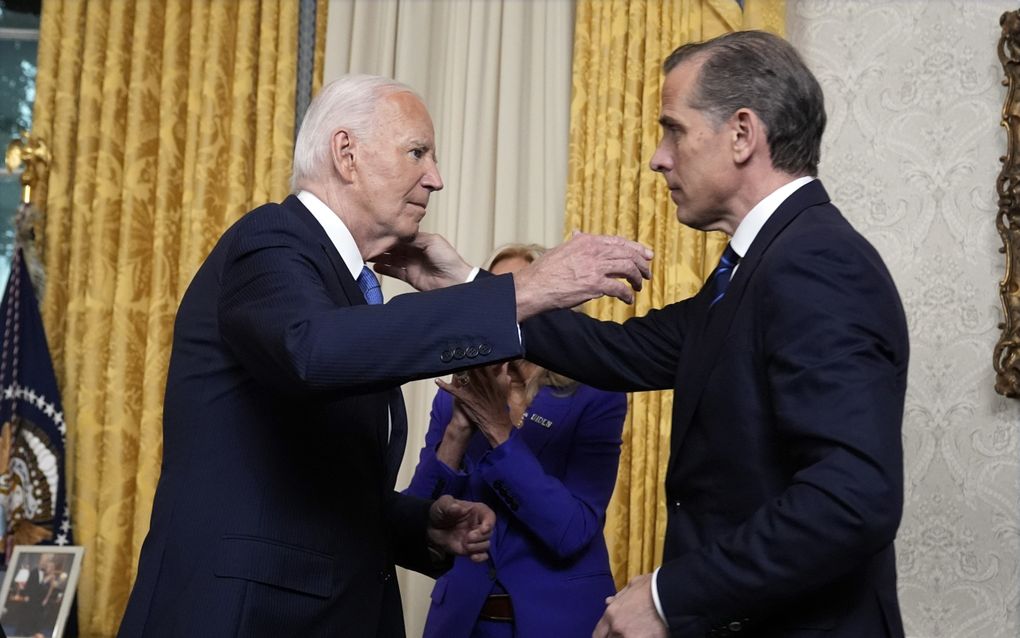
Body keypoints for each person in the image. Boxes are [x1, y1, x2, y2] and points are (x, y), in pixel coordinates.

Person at [390, 31, 909, 638]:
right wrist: (466, 282)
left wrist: (669, 595)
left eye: (674, 129)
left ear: (743, 134)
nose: (659, 157)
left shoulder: (817, 262)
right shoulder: (759, 265)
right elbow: (619, 351)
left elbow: (852, 499)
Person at [116, 75, 652, 638]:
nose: (436, 179)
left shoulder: (343, 285)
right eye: (417, 153)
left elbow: (310, 484)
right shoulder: (271, 240)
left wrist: (417, 526)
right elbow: (312, 353)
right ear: (346, 154)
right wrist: (524, 292)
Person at [405, 244, 628, 638]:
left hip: (560, 620)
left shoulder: (596, 394)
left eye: (513, 295)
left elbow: (571, 530)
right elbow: (417, 522)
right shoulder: (456, 392)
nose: (499, 311)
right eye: (489, 298)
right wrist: (458, 429)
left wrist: (497, 428)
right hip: (461, 621)